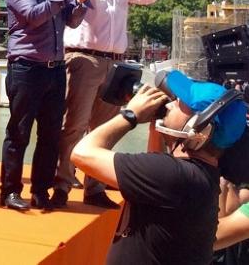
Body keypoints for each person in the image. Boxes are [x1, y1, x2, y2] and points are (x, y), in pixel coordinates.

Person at [71, 72, 247, 264]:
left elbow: (82, 153)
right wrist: (157, 126)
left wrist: (130, 115)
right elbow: (155, 166)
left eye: (180, 103)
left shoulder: (174, 175)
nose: (170, 104)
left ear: (200, 129)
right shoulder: (202, 176)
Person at [52, 0, 157, 210]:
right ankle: (62, 184)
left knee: (104, 128)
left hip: (116, 63)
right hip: (84, 59)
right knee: (73, 124)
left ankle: (94, 188)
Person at [0, 0, 97, 211]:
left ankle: (40, 190)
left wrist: (81, 1)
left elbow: (72, 21)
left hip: (55, 69)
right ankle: (10, 191)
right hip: (27, 68)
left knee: (50, 134)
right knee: (19, 132)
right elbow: (33, 16)